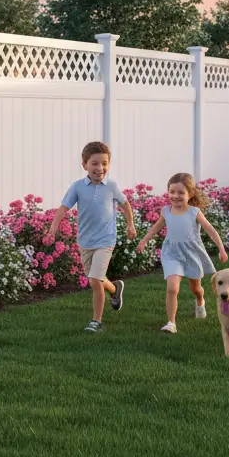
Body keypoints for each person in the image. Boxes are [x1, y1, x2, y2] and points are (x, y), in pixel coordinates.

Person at [45, 141, 136, 333]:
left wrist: (130, 224)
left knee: (95, 280)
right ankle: (115, 289)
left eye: (104, 163)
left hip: (106, 240)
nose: (100, 168)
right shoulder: (77, 187)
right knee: (96, 278)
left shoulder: (111, 186)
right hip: (85, 242)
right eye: (94, 163)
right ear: (84, 164)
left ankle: (96, 322)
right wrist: (53, 227)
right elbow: (63, 208)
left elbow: (125, 204)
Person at [136, 172, 228, 333]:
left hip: (191, 254)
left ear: (190, 194)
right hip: (172, 253)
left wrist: (221, 248)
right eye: (172, 192)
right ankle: (171, 322)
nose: (175, 196)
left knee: (196, 289)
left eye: (180, 192)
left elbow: (211, 230)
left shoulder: (194, 212)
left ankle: (200, 301)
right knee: (172, 288)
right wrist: (144, 240)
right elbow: (156, 227)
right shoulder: (166, 211)